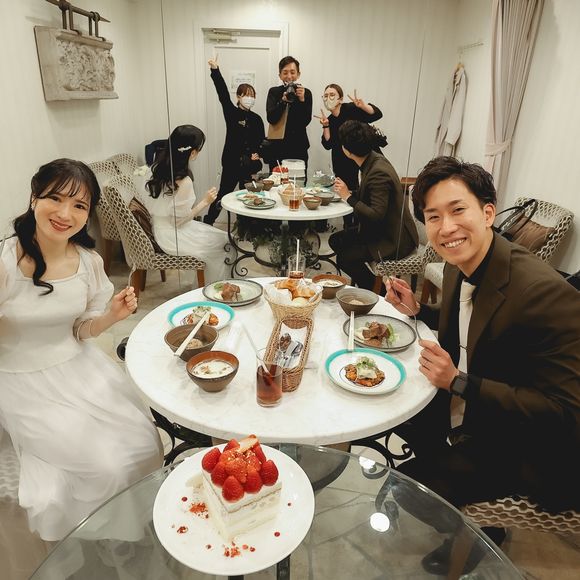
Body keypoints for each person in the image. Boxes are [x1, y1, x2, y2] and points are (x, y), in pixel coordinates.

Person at [385, 156, 580, 575]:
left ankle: (477, 538)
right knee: (387, 413)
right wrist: (417, 312)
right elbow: (471, 328)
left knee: (407, 490)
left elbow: (566, 413)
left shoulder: (544, 294)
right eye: (433, 216)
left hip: (527, 445)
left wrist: (459, 383)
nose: (446, 227)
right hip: (474, 411)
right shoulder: (460, 263)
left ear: (488, 212)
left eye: (458, 210)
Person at [0, 159, 163, 541]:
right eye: (55, 199)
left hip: (77, 367)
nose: (64, 214)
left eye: (79, 205)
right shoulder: (6, 261)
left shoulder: (88, 261)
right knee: (105, 465)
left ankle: (129, 531)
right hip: (22, 380)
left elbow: (80, 330)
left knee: (144, 444)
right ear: (34, 198)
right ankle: (106, 539)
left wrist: (111, 316)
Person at [328, 120, 418, 290]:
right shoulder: (373, 159)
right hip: (383, 229)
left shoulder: (378, 172)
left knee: (345, 258)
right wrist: (349, 193)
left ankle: (379, 292)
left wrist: (348, 197)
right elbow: (372, 196)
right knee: (336, 240)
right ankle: (369, 285)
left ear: (347, 151)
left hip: (394, 239)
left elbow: (375, 215)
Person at [144, 125, 232, 284]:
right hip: (171, 236)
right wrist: (205, 202)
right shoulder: (184, 181)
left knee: (223, 238)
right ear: (192, 153)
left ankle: (211, 284)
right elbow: (177, 221)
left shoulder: (155, 169)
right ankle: (215, 288)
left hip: (159, 228)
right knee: (227, 244)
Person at [204, 58, 265, 226]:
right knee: (223, 194)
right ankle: (208, 222)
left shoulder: (257, 119)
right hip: (231, 163)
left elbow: (261, 141)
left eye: (252, 95)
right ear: (238, 96)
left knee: (249, 197)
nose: (250, 98)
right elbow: (222, 93)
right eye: (246, 95)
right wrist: (215, 70)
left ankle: (245, 227)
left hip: (249, 165)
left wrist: (258, 153)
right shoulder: (231, 112)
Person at [318, 84, 384, 194]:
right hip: (343, 159)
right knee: (347, 191)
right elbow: (328, 144)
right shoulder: (330, 120)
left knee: (372, 186)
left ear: (340, 99)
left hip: (364, 152)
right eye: (325, 96)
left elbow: (377, 114)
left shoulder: (351, 108)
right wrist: (326, 126)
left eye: (332, 95)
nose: (328, 98)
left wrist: (363, 106)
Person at [265, 56, 312, 173]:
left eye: (292, 72)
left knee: (299, 181)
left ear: (298, 74)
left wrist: (302, 100)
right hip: (277, 148)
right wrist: (283, 102)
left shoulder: (306, 93)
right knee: (276, 181)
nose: (289, 76)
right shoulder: (274, 92)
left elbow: (305, 121)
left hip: (299, 147)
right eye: (285, 73)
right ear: (280, 75)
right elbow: (271, 118)